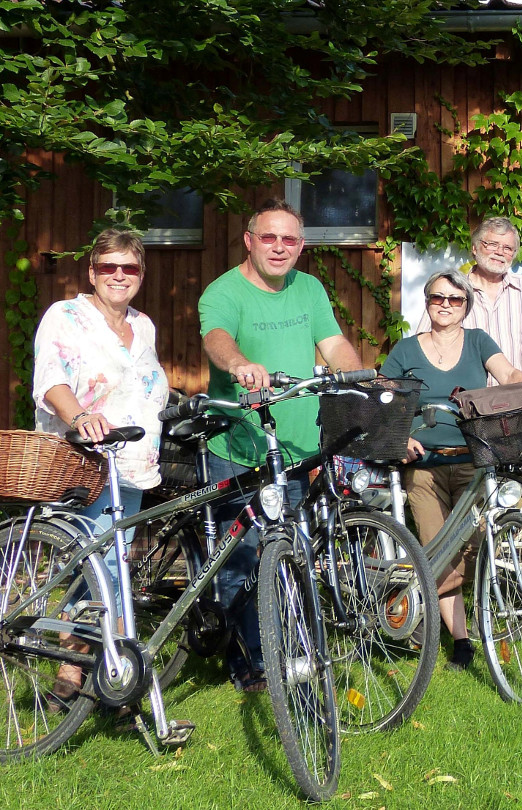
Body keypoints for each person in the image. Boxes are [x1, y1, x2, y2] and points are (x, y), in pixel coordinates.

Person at [198, 198, 363, 692]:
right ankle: (248, 659)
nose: (278, 247)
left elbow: (333, 345)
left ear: (301, 246)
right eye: (268, 237)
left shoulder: (308, 288)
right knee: (242, 555)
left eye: (289, 239)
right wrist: (240, 364)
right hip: (237, 445)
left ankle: (287, 645)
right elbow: (217, 338)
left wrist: (358, 379)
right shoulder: (223, 291)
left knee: (288, 548)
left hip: (293, 447)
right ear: (249, 241)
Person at [33, 228, 170, 702]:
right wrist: (81, 417)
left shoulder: (144, 325)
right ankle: (74, 666)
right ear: (91, 272)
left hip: (132, 463)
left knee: (114, 565)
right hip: (83, 459)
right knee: (98, 566)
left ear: (140, 275)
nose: (118, 275)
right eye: (108, 266)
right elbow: (51, 379)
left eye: (128, 268)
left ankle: (101, 667)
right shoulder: (66, 316)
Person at [382, 270, 522, 672]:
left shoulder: (479, 341)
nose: (445, 305)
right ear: (427, 302)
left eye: (455, 299)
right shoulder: (405, 351)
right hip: (423, 468)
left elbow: (508, 374)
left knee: (477, 544)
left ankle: (418, 602)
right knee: (437, 548)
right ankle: (462, 643)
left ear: (466, 305)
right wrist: (399, 439)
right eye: (437, 298)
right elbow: (384, 399)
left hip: (472, 460)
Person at [416, 216, 522, 382]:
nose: (499, 252)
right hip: (464, 401)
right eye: (492, 244)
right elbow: (422, 345)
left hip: (519, 399)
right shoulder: (452, 290)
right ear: (475, 248)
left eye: (507, 248)